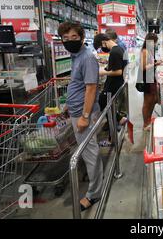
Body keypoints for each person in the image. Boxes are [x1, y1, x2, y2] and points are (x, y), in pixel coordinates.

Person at [57, 22, 103, 211]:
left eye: (74, 37)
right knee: (87, 151)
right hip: (76, 110)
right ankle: (94, 185)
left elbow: (91, 88)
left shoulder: (87, 58)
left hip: (85, 113)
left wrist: (84, 115)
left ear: (82, 38)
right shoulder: (76, 56)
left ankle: (94, 194)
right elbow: (78, 83)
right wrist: (68, 103)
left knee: (90, 152)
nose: (69, 41)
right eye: (65, 39)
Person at [93, 33, 127, 146]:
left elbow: (118, 71)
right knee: (108, 106)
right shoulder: (119, 49)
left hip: (113, 85)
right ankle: (120, 119)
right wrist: (107, 67)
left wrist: (103, 72)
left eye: (100, 46)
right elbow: (115, 67)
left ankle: (112, 139)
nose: (102, 48)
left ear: (104, 42)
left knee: (105, 104)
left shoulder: (114, 52)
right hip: (115, 83)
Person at [140, 32, 163, 131]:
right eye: (155, 42)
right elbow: (143, 67)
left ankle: (148, 120)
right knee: (147, 102)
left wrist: (156, 63)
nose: (155, 44)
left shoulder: (149, 51)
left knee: (153, 100)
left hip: (151, 78)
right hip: (147, 79)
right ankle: (145, 124)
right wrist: (155, 64)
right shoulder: (145, 51)